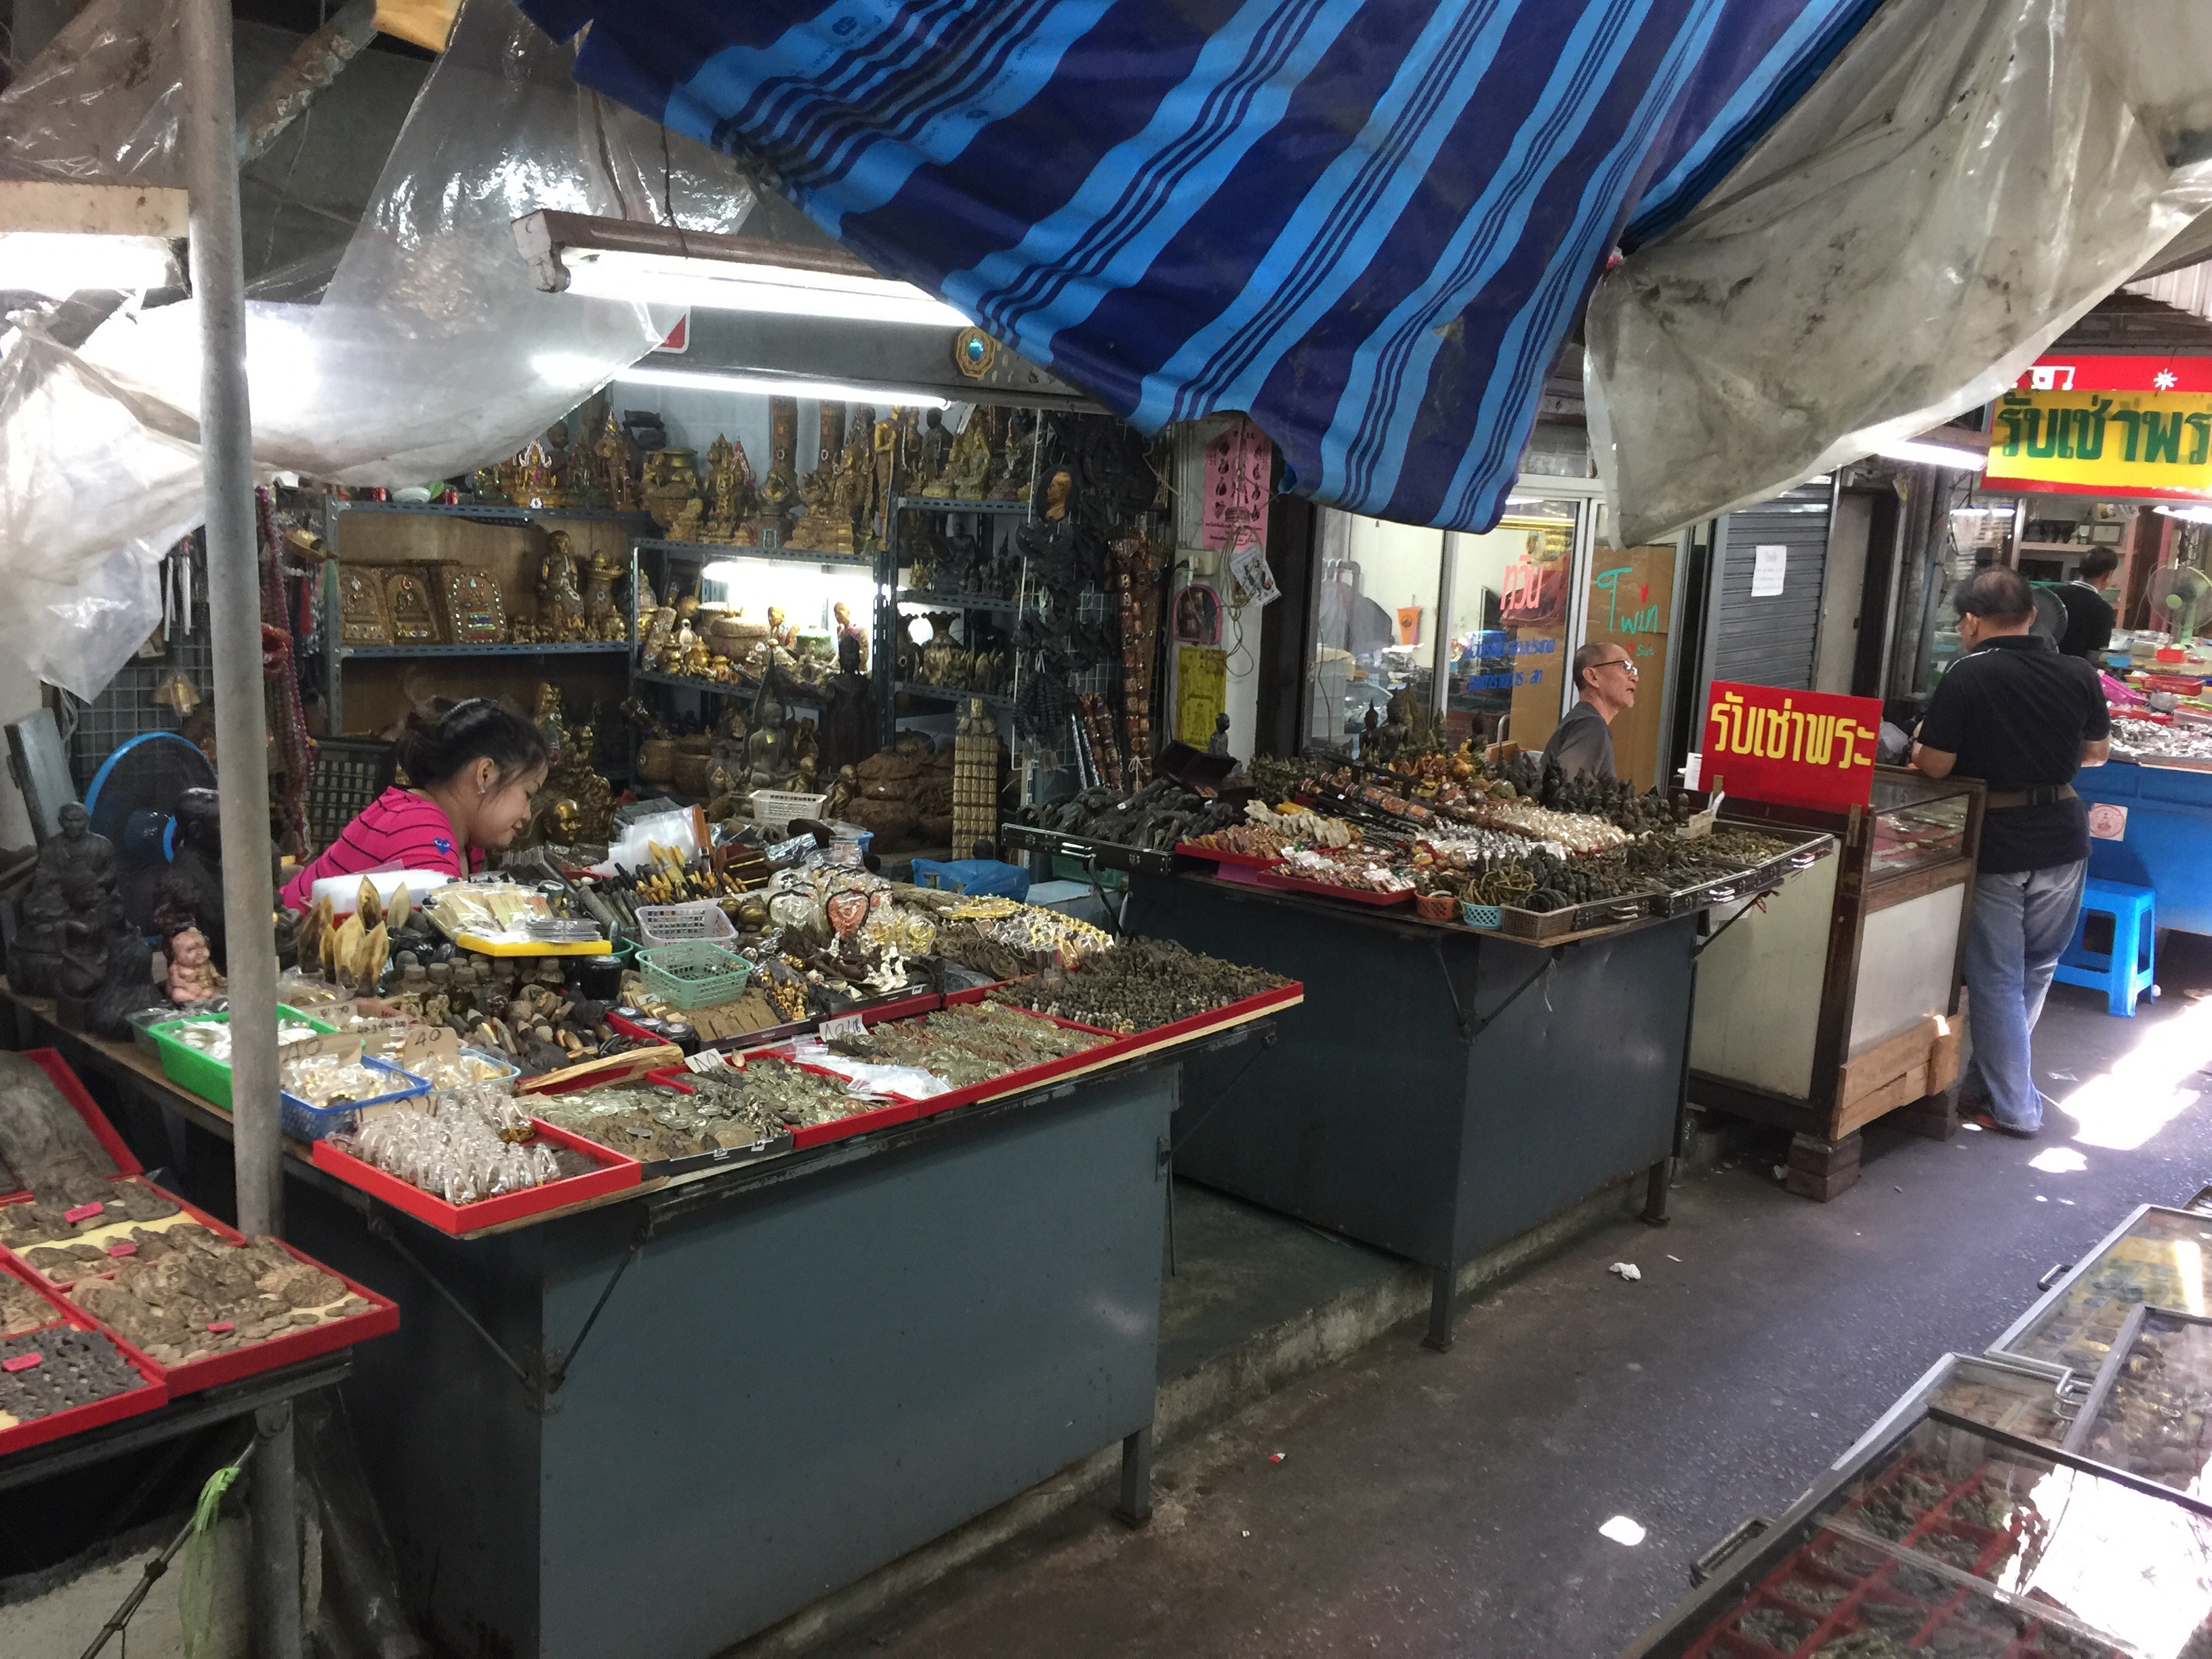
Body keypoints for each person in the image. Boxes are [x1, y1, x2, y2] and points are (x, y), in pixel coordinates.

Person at [1912, 568, 2108, 1137]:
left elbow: (1936, 765)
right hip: (2065, 838)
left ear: (1971, 622)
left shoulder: (1969, 673)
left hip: (2001, 841)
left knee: (1996, 976)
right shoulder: (2078, 671)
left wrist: (1921, 743)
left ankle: (2016, 1108)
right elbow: (2096, 753)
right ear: (2033, 615)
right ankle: (1993, 1088)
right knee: (2036, 967)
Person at [280, 699, 549, 912]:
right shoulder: (418, 827)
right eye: (528, 793)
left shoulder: (467, 842)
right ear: (485, 774)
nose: (528, 814)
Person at [1541, 641, 1637, 780]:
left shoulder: (1584, 722)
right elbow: (1567, 789)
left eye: (1633, 669)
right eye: (1625, 666)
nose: (1635, 677)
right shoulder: (1590, 726)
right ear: (1592, 676)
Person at [2051, 549, 2118, 661]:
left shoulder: (2051, 592)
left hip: (2038, 664)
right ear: (2107, 576)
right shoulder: (2103, 610)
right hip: (2075, 669)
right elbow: (2094, 656)